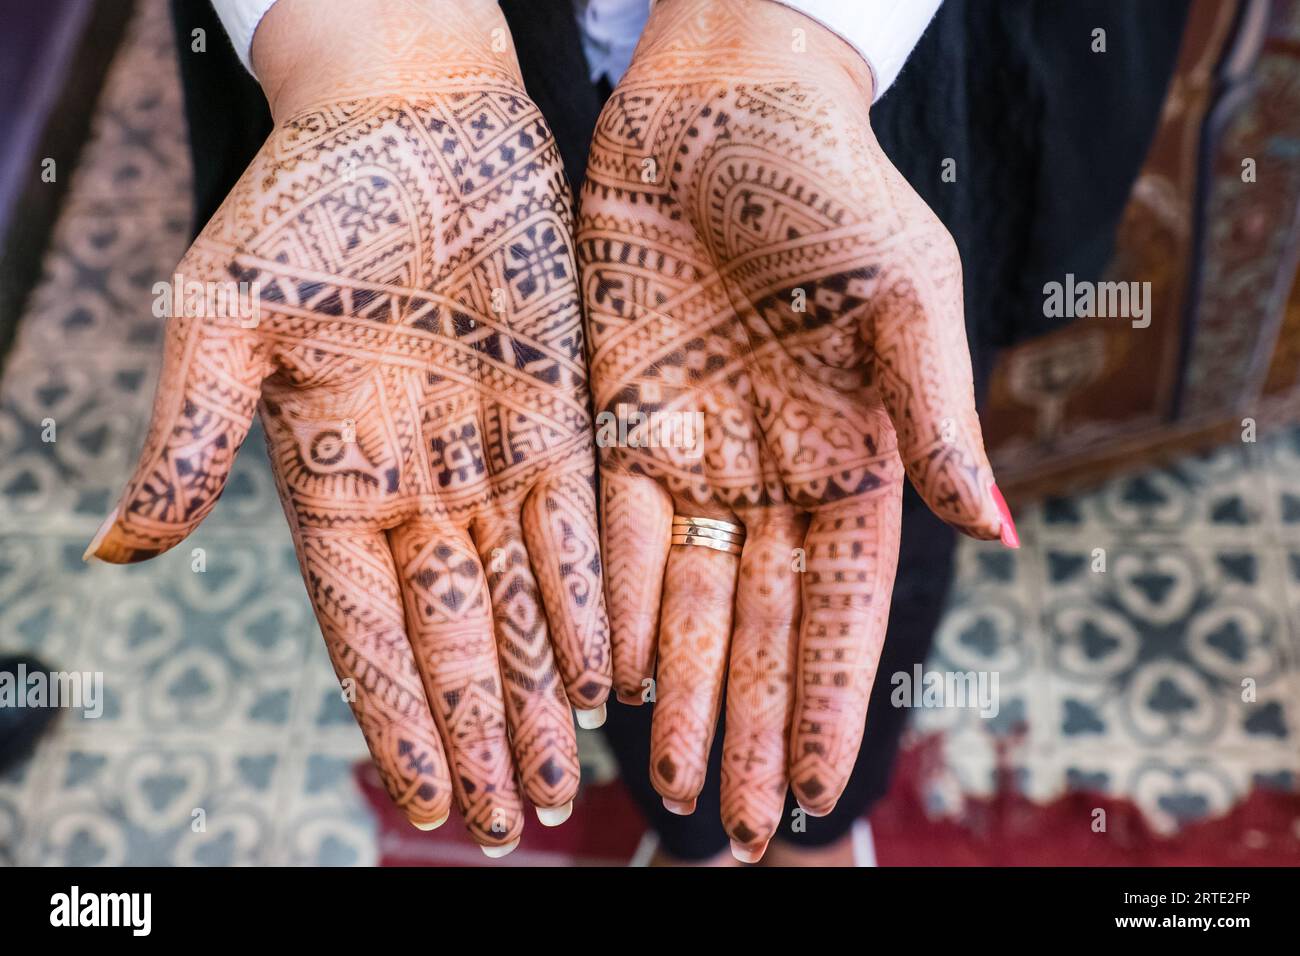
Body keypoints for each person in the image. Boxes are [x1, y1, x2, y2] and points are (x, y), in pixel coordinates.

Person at [97, 0, 1188, 865]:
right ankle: (687, 829)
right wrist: (367, 46)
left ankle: (821, 821)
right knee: (543, 515)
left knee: (839, 457)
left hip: (883, 57)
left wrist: (791, 39)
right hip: (403, 69)